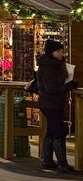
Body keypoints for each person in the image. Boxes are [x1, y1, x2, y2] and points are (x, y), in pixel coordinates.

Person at [37, 39, 78, 173]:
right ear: (51, 52)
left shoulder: (54, 64)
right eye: (58, 51)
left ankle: (47, 161)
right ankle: (62, 164)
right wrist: (69, 86)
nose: (61, 54)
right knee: (59, 132)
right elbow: (52, 88)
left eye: (62, 51)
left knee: (51, 131)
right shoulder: (48, 67)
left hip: (52, 103)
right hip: (51, 103)